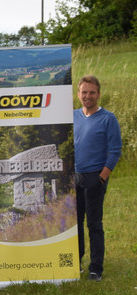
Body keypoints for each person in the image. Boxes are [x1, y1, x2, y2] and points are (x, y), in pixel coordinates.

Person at [73, 75, 122, 282]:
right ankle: (77, 264)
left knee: (94, 224)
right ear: (79, 94)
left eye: (92, 92)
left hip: (95, 177)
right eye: (84, 92)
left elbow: (115, 150)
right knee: (75, 224)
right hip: (75, 177)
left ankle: (96, 269)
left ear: (98, 94)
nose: (88, 96)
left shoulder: (108, 118)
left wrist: (102, 176)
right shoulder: (73, 116)